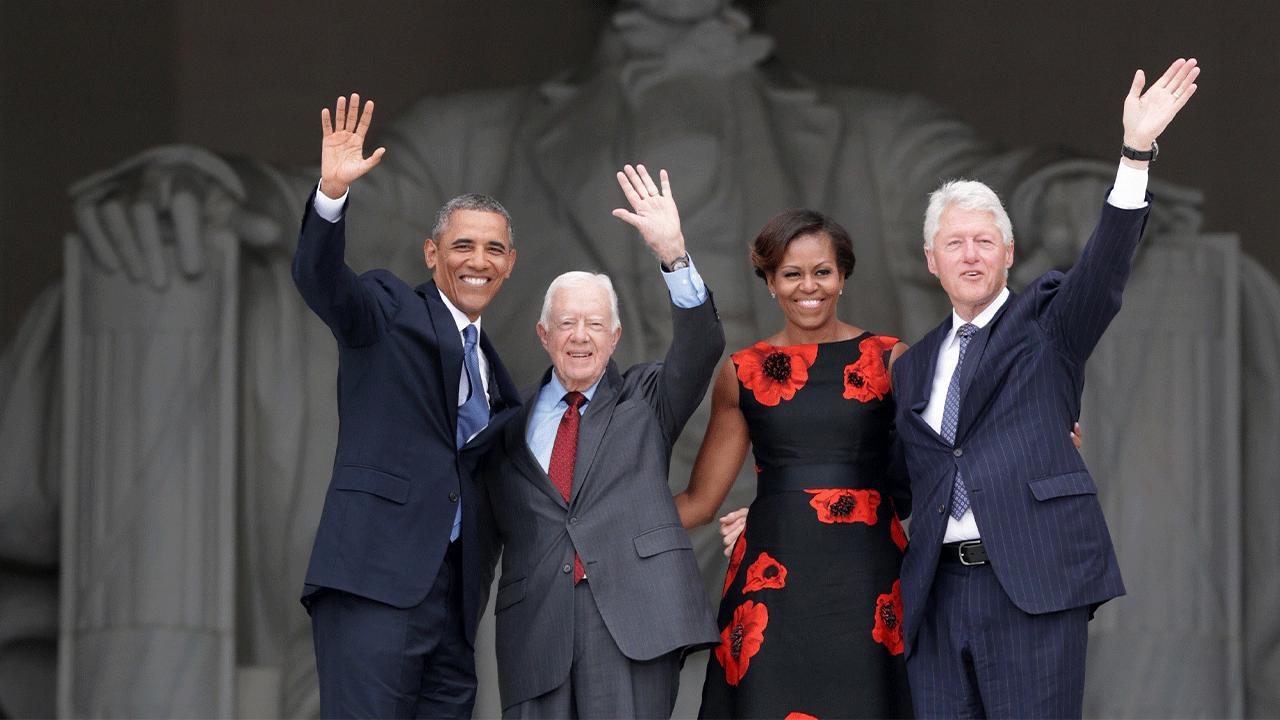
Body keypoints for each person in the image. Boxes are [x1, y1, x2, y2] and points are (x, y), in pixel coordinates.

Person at [891, 59, 1199, 718]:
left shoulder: (1049, 321)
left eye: (984, 241)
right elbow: (894, 481)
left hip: (1028, 582)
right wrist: (780, 510)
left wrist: (1135, 153)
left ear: (1008, 253)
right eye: (954, 243)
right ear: (930, 260)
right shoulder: (910, 366)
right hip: (935, 595)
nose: (970, 254)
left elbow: (1105, 268)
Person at [292, 94, 523, 718]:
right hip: (373, 581)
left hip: (453, 602)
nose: (479, 261)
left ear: (508, 267)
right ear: (431, 254)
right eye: (463, 246)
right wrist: (331, 194)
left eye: (494, 250)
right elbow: (321, 278)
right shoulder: (388, 310)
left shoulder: (497, 372)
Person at [475, 164, 722, 718]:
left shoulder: (645, 400)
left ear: (615, 337)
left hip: (631, 623)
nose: (580, 337)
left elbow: (701, 346)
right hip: (536, 631)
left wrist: (674, 254)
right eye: (566, 324)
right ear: (544, 335)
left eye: (594, 325)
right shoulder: (505, 427)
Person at [674, 207, 914, 718]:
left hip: (870, 583)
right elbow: (698, 502)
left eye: (822, 271)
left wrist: (1043, 442)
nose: (810, 286)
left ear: (843, 276)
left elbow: (936, 465)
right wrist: (602, 522)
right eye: (791, 273)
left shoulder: (891, 359)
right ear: (769, 282)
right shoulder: (741, 371)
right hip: (772, 587)